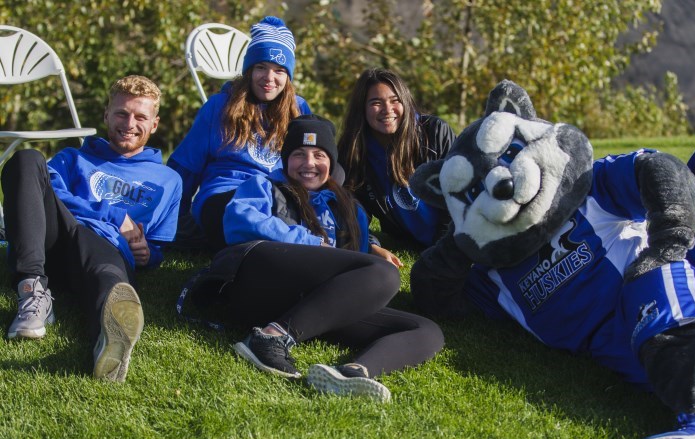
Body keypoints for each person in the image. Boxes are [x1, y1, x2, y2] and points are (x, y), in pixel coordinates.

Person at [184, 115, 444, 401]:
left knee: (428, 330)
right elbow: (239, 222)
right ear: (285, 160)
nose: (309, 163)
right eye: (299, 154)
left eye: (319, 155)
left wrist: (369, 249)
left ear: (331, 162)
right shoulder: (263, 185)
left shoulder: (348, 207)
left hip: (312, 305)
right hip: (258, 281)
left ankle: (353, 373)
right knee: (384, 273)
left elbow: (356, 265)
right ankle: (271, 336)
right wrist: (314, 243)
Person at [1, 75, 182, 382]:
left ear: (154, 124)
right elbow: (49, 193)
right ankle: (32, 292)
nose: (129, 123)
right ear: (106, 116)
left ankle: (109, 345)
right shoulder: (74, 158)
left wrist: (148, 255)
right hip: (53, 240)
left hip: (105, 251)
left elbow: (158, 248)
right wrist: (114, 215)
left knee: (111, 282)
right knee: (27, 159)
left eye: (141, 117)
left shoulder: (168, 180)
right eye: (121, 113)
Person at [168, 16, 312, 253]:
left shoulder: (299, 109)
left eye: (279, 70)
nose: (269, 78)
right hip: (225, 196)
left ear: (288, 77)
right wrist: (175, 219)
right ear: (248, 70)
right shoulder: (219, 106)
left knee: (278, 213)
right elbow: (185, 166)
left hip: (276, 198)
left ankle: (281, 250)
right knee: (242, 215)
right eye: (261, 67)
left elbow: (313, 160)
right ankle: (295, 246)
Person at [338, 68, 456, 248]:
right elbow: (352, 209)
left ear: (406, 102)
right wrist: (371, 244)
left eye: (395, 101)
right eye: (376, 103)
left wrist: (441, 248)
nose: (387, 110)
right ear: (361, 108)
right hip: (408, 241)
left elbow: (456, 194)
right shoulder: (354, 150)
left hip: (455, 237)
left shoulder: (434, 132)